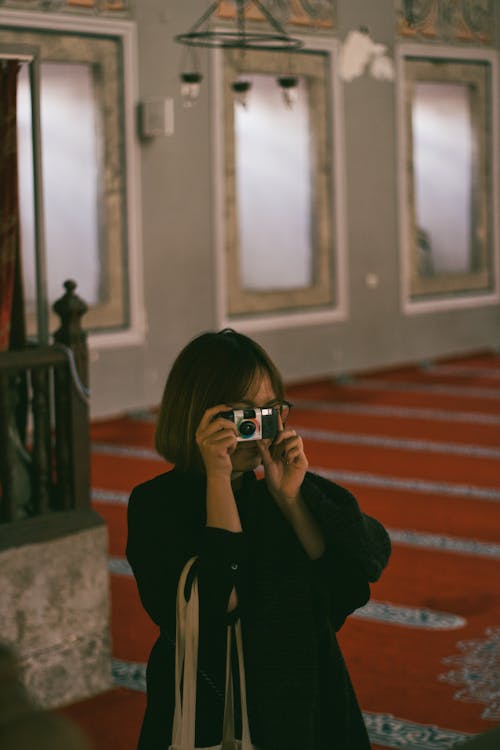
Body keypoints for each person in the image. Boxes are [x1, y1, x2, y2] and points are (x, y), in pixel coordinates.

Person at [126, 329, 391, 750]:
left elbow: (345, 590)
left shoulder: (278, 494)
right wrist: (217, 478)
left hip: (308, 706)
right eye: (242, 415)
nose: (258, 429)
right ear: (197, 414)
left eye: (270, 412)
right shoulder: (155, 505)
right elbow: (216, 606)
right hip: (216, 716)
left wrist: (292, 501)